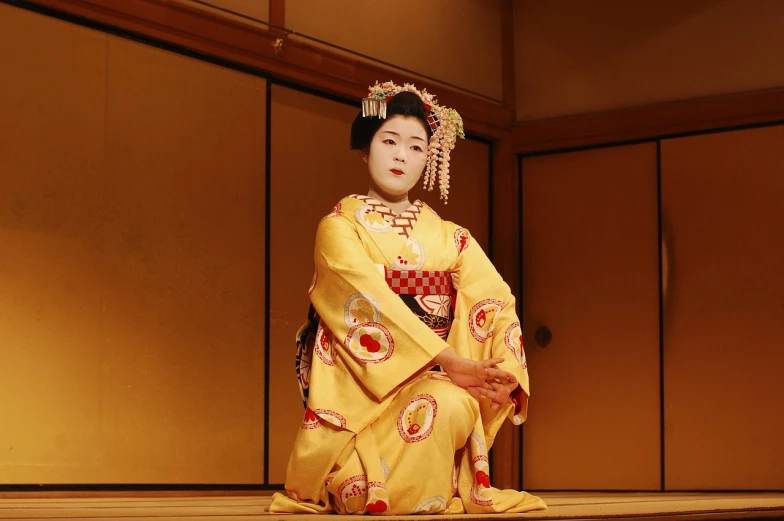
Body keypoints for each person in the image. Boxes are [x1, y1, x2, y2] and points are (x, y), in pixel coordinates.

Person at [270, 81, 546, 515]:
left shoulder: (452, 238)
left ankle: (422, 488)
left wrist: (501, 372)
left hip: (435, 382)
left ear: (427, 160)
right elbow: (368, 302)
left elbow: (494, 302)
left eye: (417, 147)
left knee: (451, 403)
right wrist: (451, 362)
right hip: (363, 394)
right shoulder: (339, 228)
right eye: (390, 141)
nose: (401, 155)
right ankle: (369, 477)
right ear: (366, 148)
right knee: (360, 485)